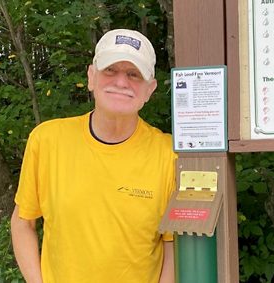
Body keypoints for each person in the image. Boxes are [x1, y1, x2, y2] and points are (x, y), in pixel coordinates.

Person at [11, 28, 177, 283]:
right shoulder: (47, 140)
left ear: (150, 89)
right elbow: (23, 223)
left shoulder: (168, 155)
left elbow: (172, 246)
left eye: (134, 74)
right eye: (110, 70)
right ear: (91, 76)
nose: (121, 82)